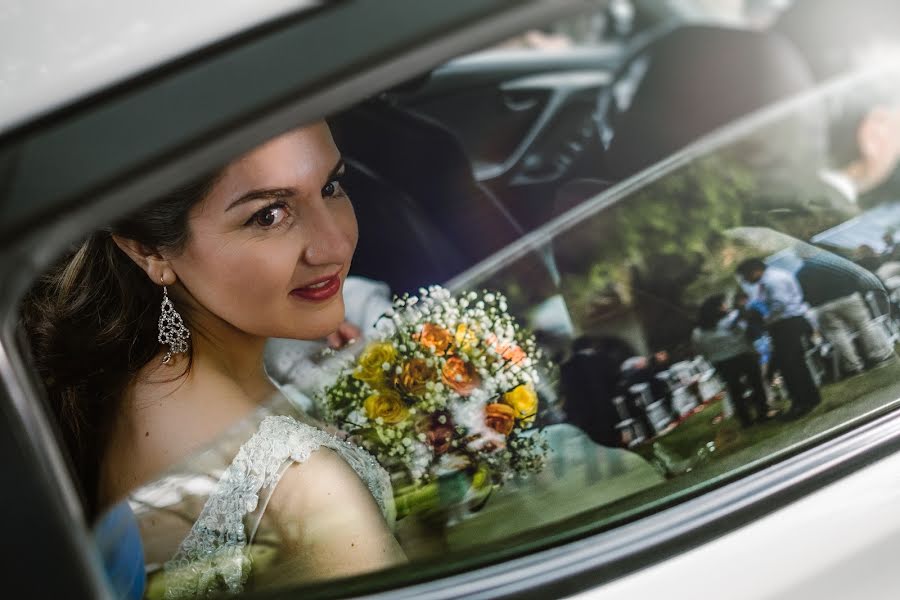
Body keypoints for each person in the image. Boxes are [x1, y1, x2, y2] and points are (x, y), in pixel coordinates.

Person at [21, 123, 406, 597]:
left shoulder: (136, 380)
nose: (334, 244)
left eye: (329, 187)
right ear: (149, 250)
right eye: (268, 216)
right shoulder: (306, 489)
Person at [737, 258, 822, 418]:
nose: (746, 280)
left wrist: (766, 319)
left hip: (785, 323)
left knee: (789, 365)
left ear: (754, 270)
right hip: (786, 322)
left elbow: (779, 304)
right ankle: (809, 397)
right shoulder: (771, 278)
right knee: (795, 363)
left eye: (745, 276)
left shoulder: (772, 281)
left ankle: (801, 401)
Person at [795, 252, 894, 376]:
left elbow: (802, 295)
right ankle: (879, 355)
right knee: (864, 325)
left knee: (837, 335)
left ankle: (854, 366)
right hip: (847, 297)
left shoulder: (800, 274)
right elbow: (854, 274)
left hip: (822, 306)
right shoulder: (834, 260)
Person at [692, 295, 769, 428]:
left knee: (735, 392)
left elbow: (700, 349)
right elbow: (746, 334)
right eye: (723, 304)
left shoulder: (698, 332)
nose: (725, 306)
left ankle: (745, 420)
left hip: (722, 362)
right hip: (743, 355)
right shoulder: (731, 319)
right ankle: (762, 412)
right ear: (718, 308)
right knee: (756, 384)